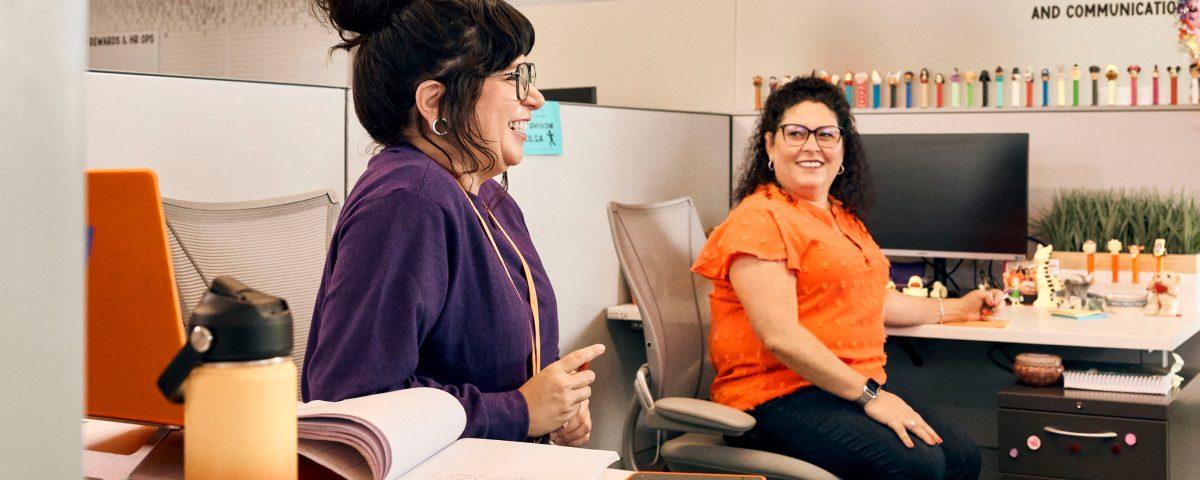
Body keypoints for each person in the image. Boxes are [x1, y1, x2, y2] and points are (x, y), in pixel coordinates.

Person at [302, 0, 603, 447]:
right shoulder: (409, 201)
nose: (535, 98)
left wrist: (559, 405)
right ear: (434, 101)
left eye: (530, 75)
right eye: (512, 77)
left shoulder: (489, 199)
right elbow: (353, 402)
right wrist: (521, 411)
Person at [691, 76, 1003, 479]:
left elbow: (873, 300)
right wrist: (872, 396)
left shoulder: (841, 217)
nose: (811, 146)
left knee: (961, 457)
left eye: (825, 134)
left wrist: (957, 308)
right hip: (774, 396)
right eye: (796, 133)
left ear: (842, 150)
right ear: (770, 144)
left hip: (839, 388)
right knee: (916, 467)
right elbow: (780, 336)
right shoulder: (760, 219)